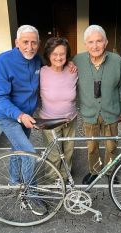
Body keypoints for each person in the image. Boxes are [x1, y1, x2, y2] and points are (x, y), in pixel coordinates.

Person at [0, 25, 46, 215]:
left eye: (33, 42)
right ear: (16, 43)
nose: (29, 47)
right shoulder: (3, 61)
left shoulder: (37, 60)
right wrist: (19, 115)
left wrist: (68, 65)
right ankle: (32, 195)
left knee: (18, 148)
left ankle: (14, 182)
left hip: (26, 115)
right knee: (29, 152)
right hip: (8, 115)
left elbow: (52, 67)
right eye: (25, 42)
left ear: (38, 44)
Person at [73, 25, 121, 185]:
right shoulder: (77, 61)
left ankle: (110, 171)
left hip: (111, 113)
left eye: (99, 41)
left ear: (106, 42)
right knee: (92, 147)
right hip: (89, 113)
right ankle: (94, 171)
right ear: (85, 44)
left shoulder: (117, 61)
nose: (95, 46)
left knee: (111, 146)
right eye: (91, 42)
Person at [39, 37, 78, 180]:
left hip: (70, 119)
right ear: (48, 55)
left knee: (68, 152)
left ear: (67, 55)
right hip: (50, 121)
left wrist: (71, 63)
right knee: (54, 155)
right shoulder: (42, 72)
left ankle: (65, 178)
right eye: (54, 54)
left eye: (62, 54)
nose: (58, 57)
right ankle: (51, 180)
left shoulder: (73, 70)